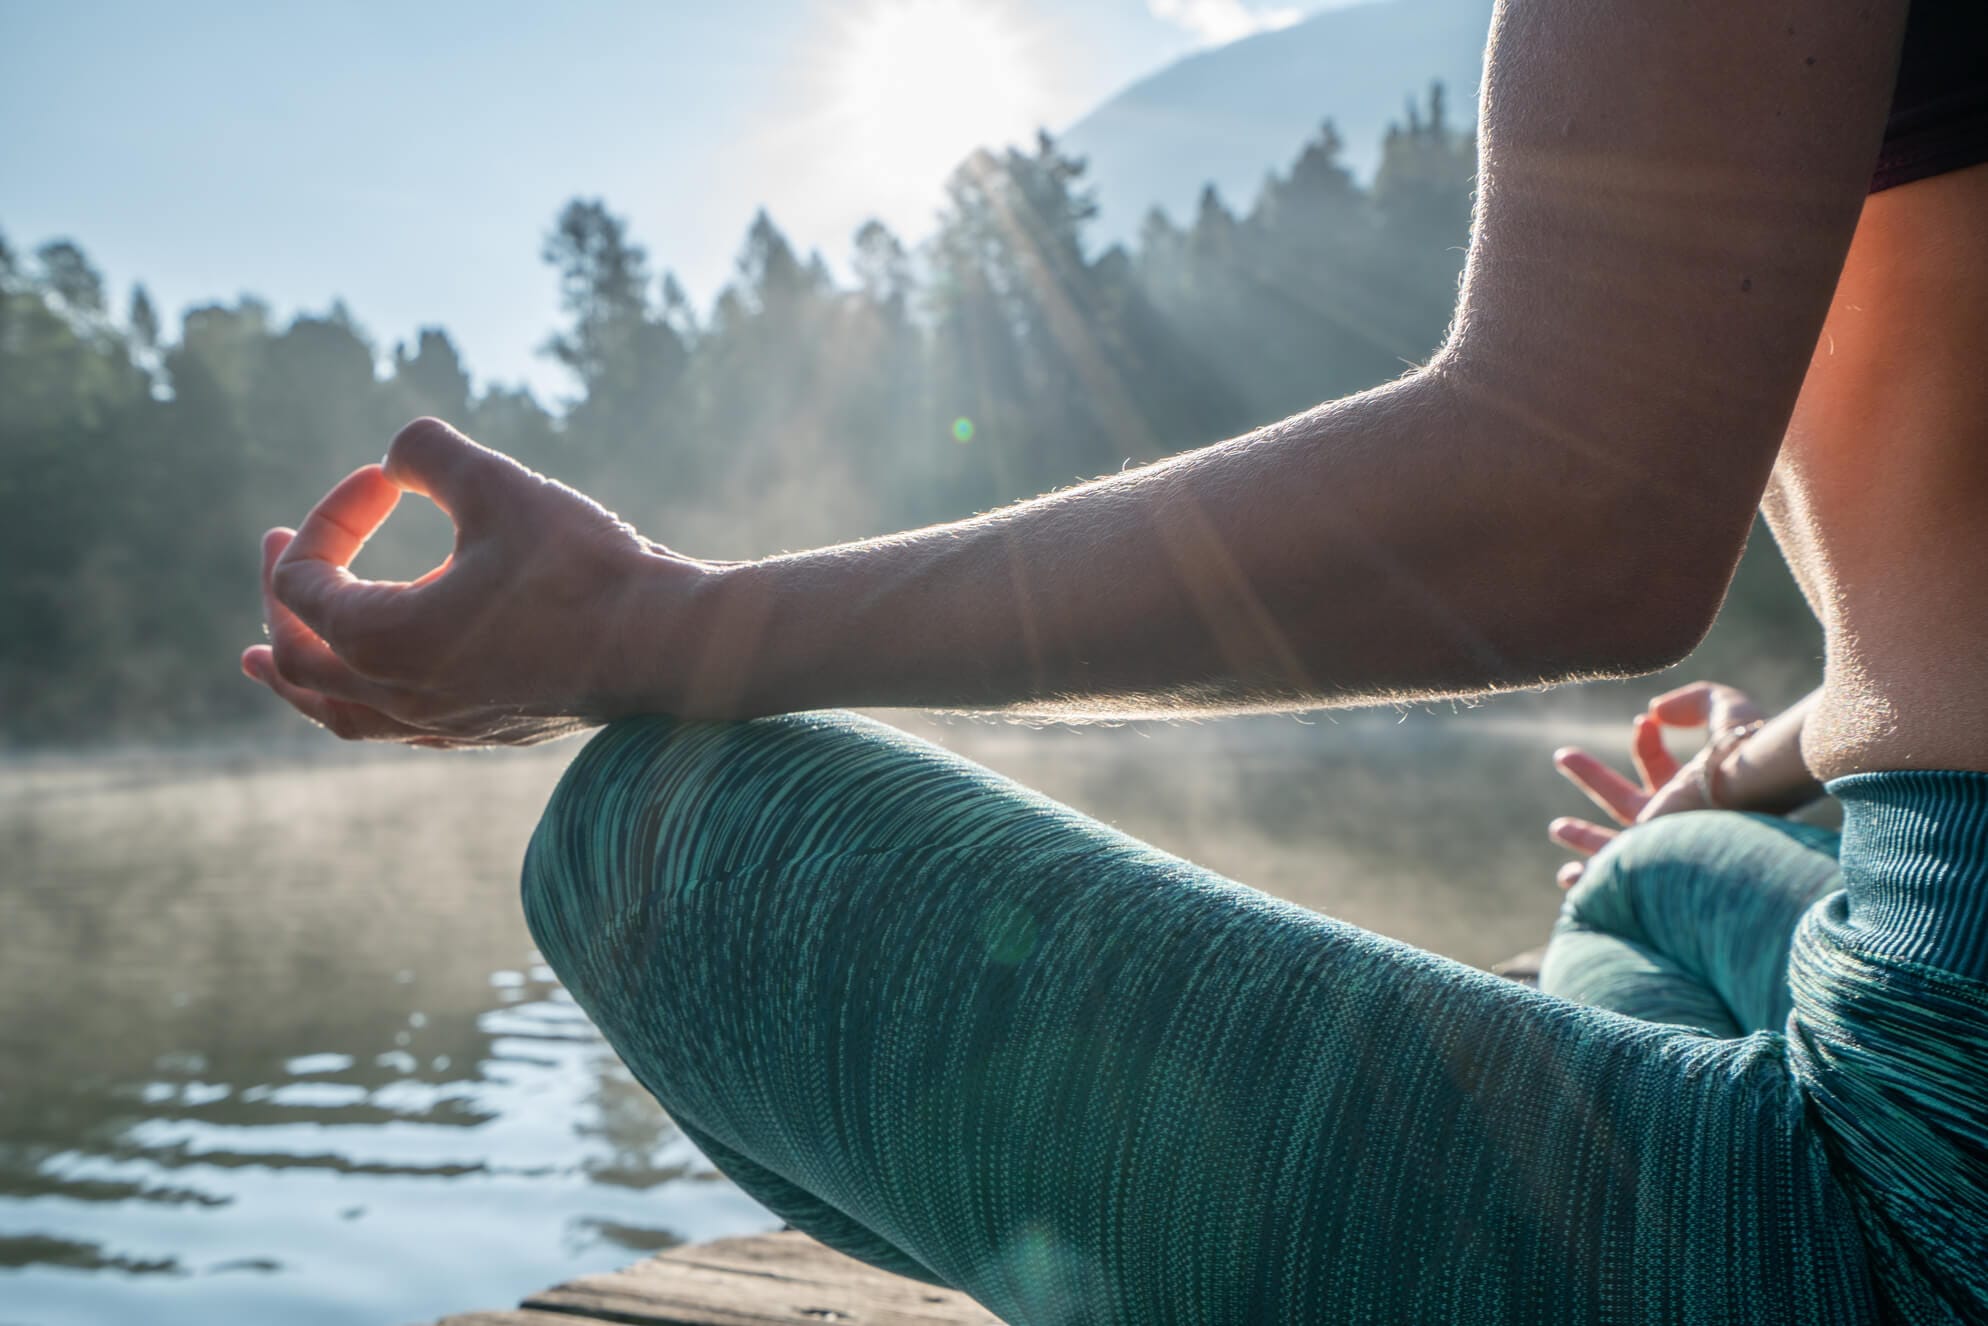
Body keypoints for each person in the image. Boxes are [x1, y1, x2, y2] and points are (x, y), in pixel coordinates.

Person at [243, 2, 1987, 1321]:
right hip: (1927, 881)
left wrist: (662, 629)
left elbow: (1573, 499)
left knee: (660, 842)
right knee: (1640, 878)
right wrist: (1789, 750)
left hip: (1929, 1220)